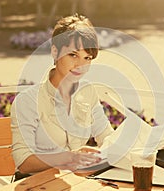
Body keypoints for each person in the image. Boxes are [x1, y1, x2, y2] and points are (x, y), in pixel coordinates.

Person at [10, 13, 114, 178]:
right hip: (35, 186)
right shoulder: (27, 101)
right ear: (55, 51)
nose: (80, 65)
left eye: (87, 58)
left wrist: (104, 152)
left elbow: (107, 136)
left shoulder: (88, 92)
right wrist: (68, 158)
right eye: (73, 55)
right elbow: (23, 162)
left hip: (76, 181)